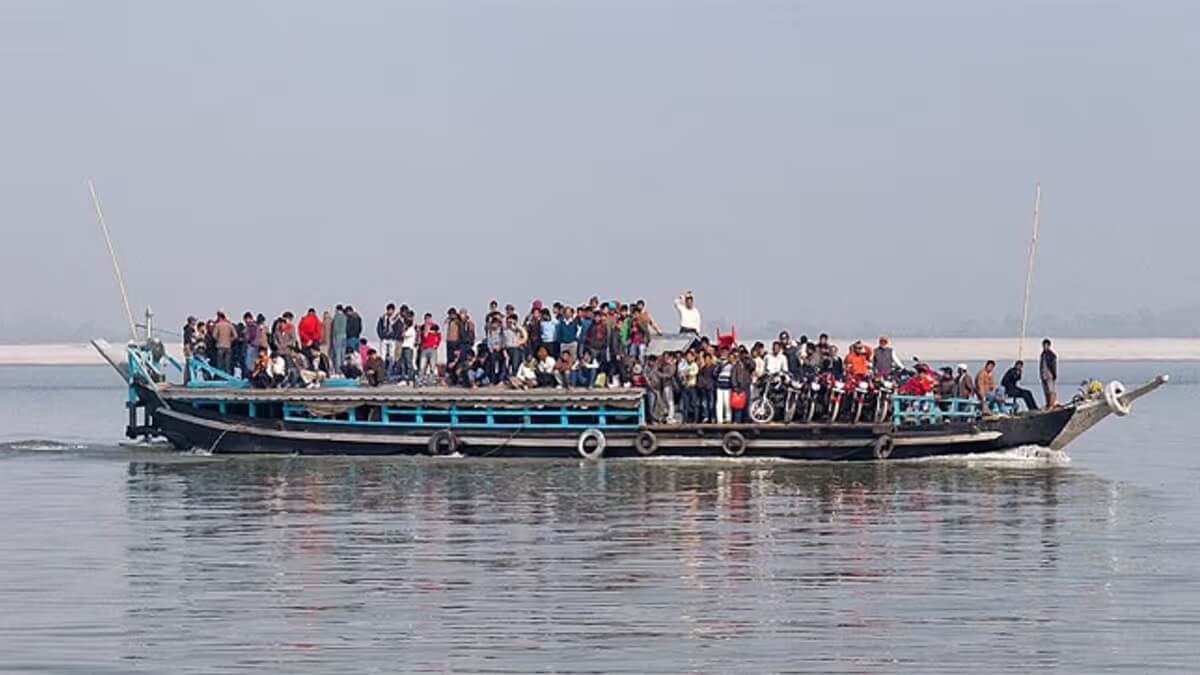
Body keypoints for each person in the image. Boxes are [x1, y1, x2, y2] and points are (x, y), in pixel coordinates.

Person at [376, 304, 401, 376]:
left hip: (392, 339)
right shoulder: (383, 318)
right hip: (384, 338)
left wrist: (394, 336)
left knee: (391, 356)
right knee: (382, 356)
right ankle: (382, 372)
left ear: (393, 310)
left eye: (391, 310)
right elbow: (379, 328)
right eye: (388, 310)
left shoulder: (396, 319)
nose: (390, 311)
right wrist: (381, 336)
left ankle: (390, 372)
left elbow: (398, 329)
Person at [1040, 338, 1058, 409]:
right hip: (1043, 375)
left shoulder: (1051, 355)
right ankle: (1048, 404)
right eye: (1044, 345)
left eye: (1046, 345)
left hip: (1049, 375)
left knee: (1051, 390)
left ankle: (1051, 405)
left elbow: (1053, 365)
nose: (1044, 347)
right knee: (1046, 391)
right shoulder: (1042, 354)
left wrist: (1054, 374)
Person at [331, 306, 348, 375]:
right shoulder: (345, 317)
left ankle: (338, 370)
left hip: (337, 336)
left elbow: (335, 328)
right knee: (342, 354)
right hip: (344, 336)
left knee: (337, 354)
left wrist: (333, 337)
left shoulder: (336, 317)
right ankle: (343, 369)